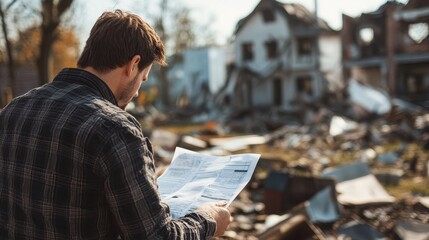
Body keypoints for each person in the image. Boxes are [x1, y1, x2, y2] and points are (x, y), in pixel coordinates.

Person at [0, 10, 231, 239]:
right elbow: (157, 236)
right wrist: (208, 219)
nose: (139, 92)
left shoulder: (12, 111)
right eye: (143, 78)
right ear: (133, 65)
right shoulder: (116, 129)